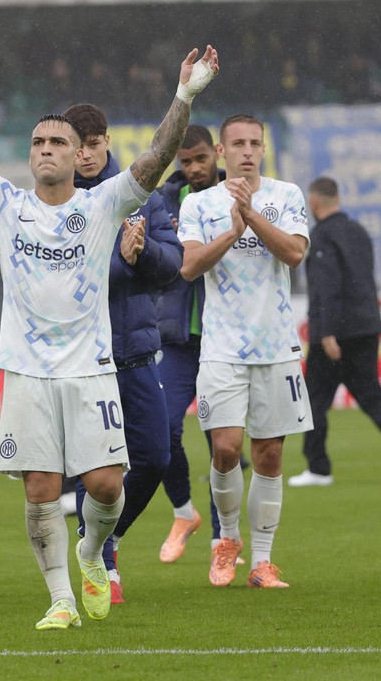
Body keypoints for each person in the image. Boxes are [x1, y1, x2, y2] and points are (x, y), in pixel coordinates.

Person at [0, 27, 217, 629]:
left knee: (106, 486)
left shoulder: (103, 205)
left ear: (76, 154)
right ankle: (61, 598)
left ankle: (93, 553)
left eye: (57, 142)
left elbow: (156, 158)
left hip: (91, 371)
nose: (45, 149)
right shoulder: (6, 203)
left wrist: (184, 98)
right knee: (39, 490)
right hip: (28, 373)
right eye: (38, 141)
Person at [178, 114, 311, 590]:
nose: (248, 151)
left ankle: (262, 562)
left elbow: (295, 254)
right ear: (221, 150)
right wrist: (232, 232)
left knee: (271, 456)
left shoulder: (286, 196)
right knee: (227, 449)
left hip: (276, 346)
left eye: (256, 142)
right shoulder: (200, 204)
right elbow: (190, 267)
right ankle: (227, 541)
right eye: (238, 143)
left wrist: (251, 216)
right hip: (222, 348)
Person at [66, 102, 183, 603]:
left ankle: (104, 538)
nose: (86, 154)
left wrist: (144, 255)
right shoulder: (55, 198)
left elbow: (173, 266)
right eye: (78, 145)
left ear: (107, 141)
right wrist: (123, 263)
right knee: (89, 465)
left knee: (155, 457)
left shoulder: (142, 193)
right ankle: (101, 564)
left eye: (93, 144)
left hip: (134, 351)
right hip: (79, 358)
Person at [289, 176, 381, 488]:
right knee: (369, 393)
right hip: (367, 325)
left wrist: (326, 331)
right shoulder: (358, 231)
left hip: (337, 332)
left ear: (314, 203)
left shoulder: (322, 236)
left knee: (314, 400)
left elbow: (328, 285)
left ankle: (318, 468)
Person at [154, 125, 221, 563]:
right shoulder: (162, 201)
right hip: (176, 341)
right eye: (186, 162)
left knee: (224, 444)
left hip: (222, 340)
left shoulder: (240, 197)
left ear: (217, 153)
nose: (194, 168)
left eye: (200, 159)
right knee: (162, 433)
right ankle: (184, 512)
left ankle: (222, 539)